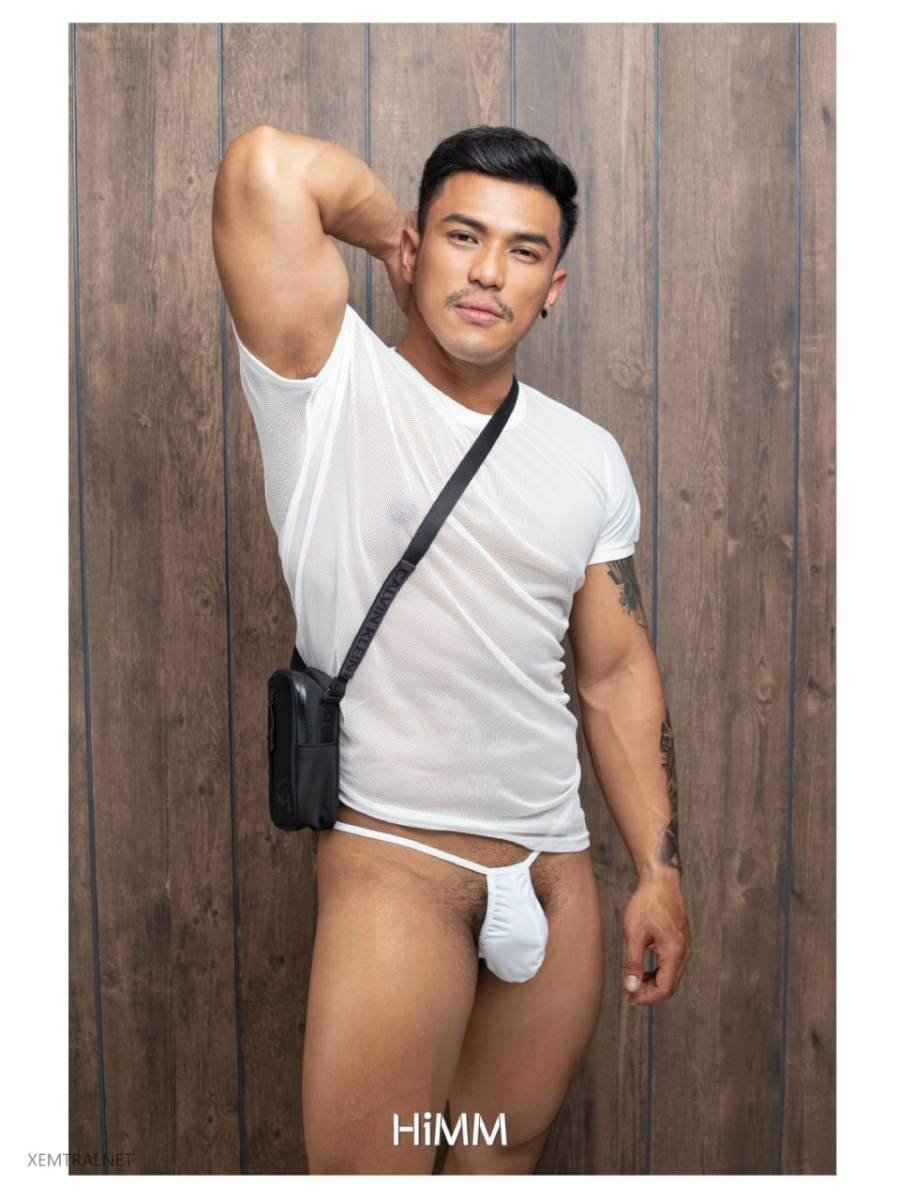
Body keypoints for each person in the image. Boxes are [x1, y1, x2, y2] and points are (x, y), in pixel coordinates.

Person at [212, 123, 693, 1175]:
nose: (486, 272)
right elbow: (266, 168)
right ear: (414, 246)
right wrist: (395, 233)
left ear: (551, 288)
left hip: (554, 879)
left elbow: (613, 674)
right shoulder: (326, 387)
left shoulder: (586, 456)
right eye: (461, 237)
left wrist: (658, 871)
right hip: (400, 873)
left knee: (496, 1160)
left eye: (522, 252)